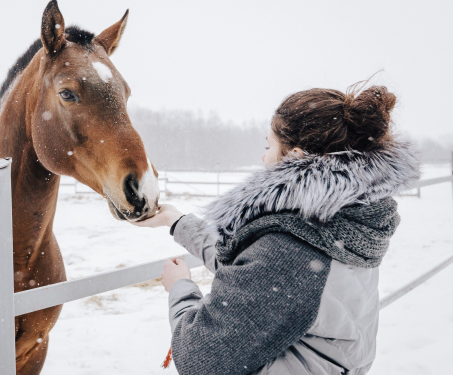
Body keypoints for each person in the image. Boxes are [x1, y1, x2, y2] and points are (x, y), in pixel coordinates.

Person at [134, 82, 420, 374]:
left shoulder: (291, 247)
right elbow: (255, 274)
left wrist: (180, 287)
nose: (263, 157)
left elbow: (199, 358)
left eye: (268, 146)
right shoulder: (341, 221)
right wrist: (177, 222)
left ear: (295, 156)